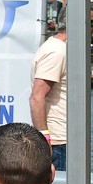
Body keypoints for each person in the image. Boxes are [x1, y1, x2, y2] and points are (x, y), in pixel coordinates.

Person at [29, 20, 67, 171]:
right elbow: (36, 97)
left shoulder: (60, 49)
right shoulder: (57, 52)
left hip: (63, 139)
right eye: (91, 23)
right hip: (58, 141)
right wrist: (45, 139)